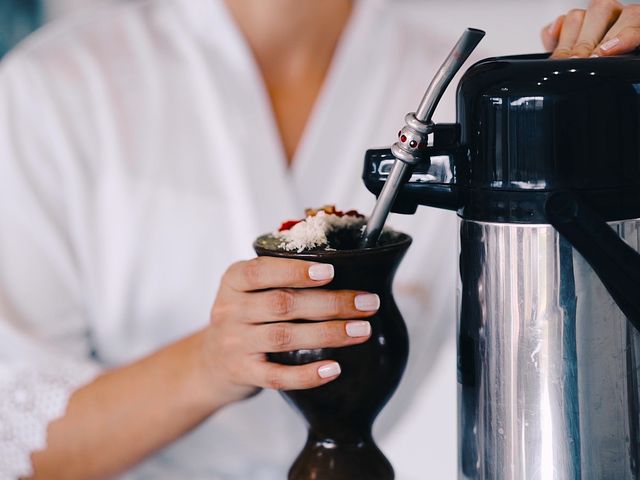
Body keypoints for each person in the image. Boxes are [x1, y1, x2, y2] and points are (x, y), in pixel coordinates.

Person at [0, 0, 638, 479]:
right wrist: (209, 364)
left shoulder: (462, 85)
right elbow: (18, 443)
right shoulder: (54, 90)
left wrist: (607, 104)